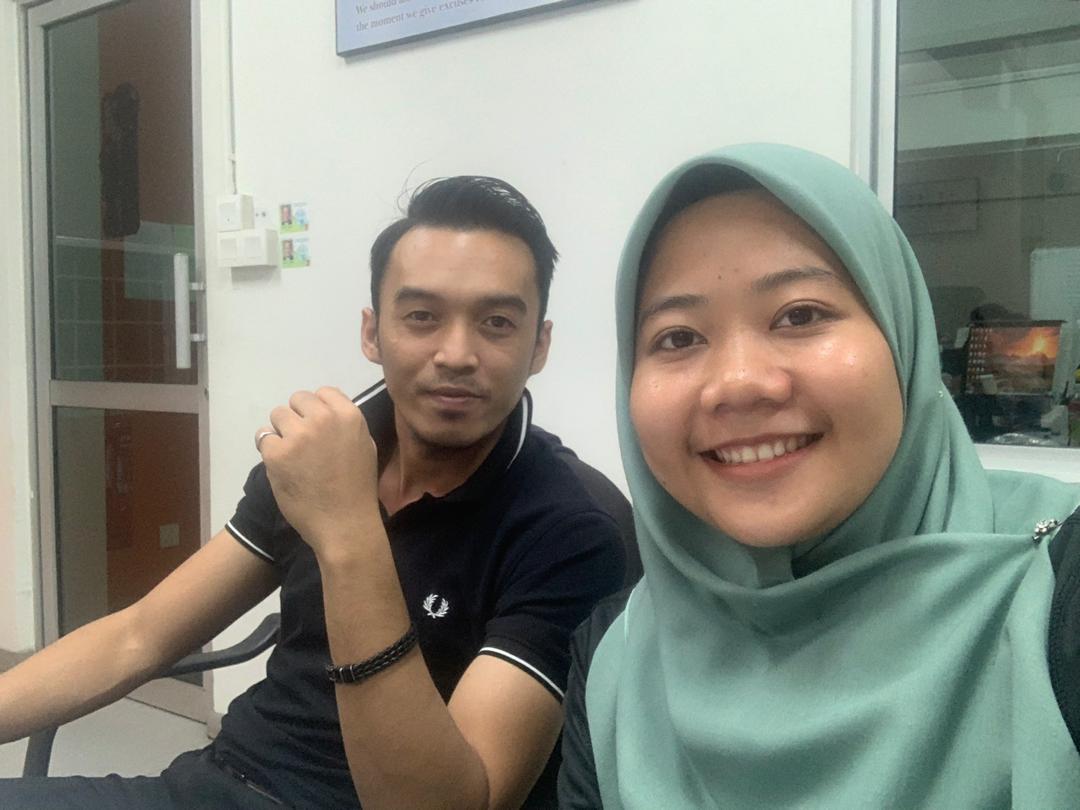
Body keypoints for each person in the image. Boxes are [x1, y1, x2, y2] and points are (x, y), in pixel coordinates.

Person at [0, 176, 626, 809]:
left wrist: (347, 530)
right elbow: (140, 636)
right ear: (372, 333)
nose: (456, 353)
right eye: (422, 317)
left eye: (496, 322)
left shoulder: (571, 529)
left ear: (539, 345)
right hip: (212, 785)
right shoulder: (323, 456)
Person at [557, 144, 1080, 808]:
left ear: (902, 336)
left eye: (800, 315)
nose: (738, 384)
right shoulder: (618, 659)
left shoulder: (1054, 585)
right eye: (678, 337)